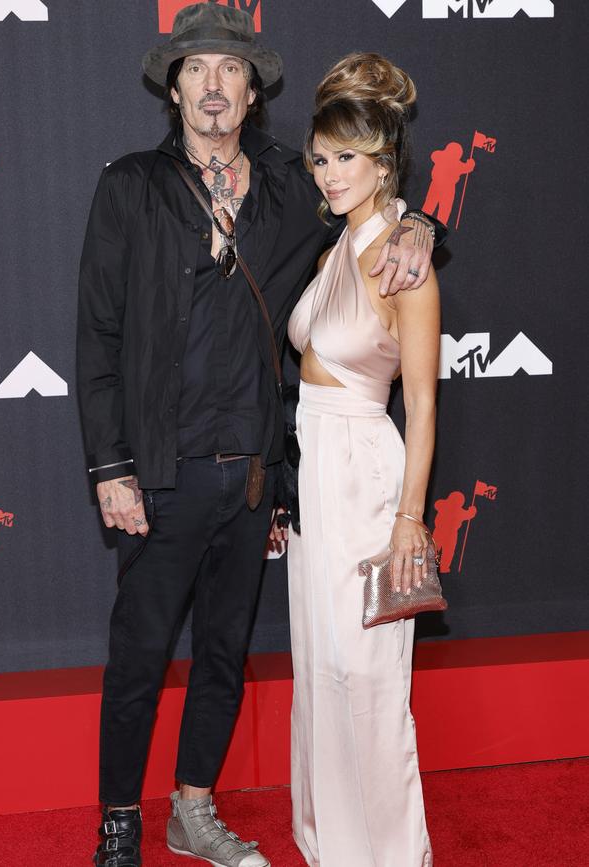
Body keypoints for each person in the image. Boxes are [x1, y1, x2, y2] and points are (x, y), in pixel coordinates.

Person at [77, 6, 443, 865]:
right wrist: (111, 466)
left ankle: (192, 809)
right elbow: (98, 334)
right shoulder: (129, 185)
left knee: (222, 655)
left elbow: (372, 215)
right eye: (196, 69)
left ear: (251, 91)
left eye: (230, 70)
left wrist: (426, 225)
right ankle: (120, 822)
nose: (213, 85)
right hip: (159, 473)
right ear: (174, 87)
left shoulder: (291, 185)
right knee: (138, 656)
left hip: (251, 477)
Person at [286, 52, 440, 866]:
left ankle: (390, 854)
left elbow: (421, 404)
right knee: (322, 669)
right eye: (321, 156)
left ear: (384, 162)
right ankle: (332, 846)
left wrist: (410, 517)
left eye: (348, 157)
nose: (331, 172)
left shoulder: (404, 261)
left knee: (371, 679)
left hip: (365, 475)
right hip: (312, 470)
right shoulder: (328, 252)